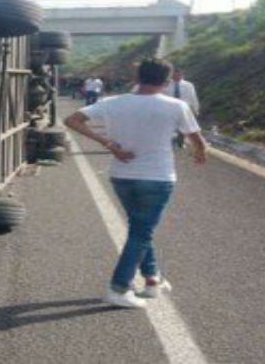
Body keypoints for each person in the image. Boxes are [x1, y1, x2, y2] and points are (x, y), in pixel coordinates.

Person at [63, 58, 207, 309]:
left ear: (137, 78)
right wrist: (200, 154)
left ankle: (152, 280)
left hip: (122, 175)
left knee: (140, 228)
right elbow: (196, 139)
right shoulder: (176, 106)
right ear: (166, 81)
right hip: (157, 177)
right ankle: (118, 288)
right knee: (142, 231)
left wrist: (107, 143)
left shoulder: (112, 102)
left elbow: (72, 120)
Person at [167, 69, 199, 148]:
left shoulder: (188, 85)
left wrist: (195, 109)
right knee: (171, 126)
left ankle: (180, 143)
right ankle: (171, 142)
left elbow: (193, 97)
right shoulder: (166, 84)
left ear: (181, 74)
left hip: (184, 109)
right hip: (170, 108)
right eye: (174, 74)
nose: (176, 76)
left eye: (178, 74)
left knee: (182, 126)